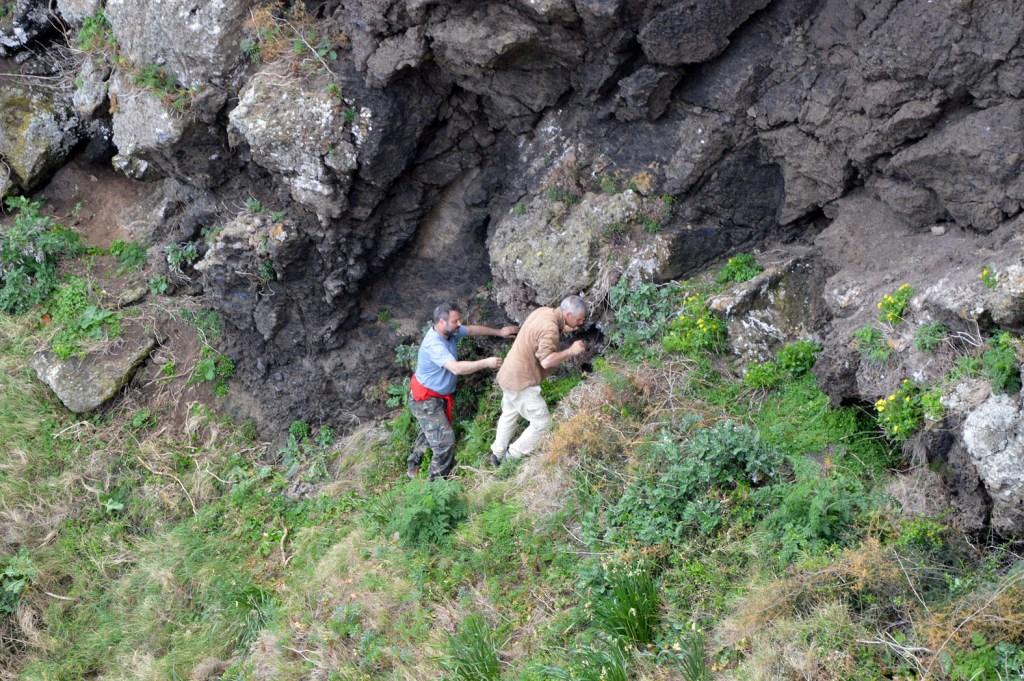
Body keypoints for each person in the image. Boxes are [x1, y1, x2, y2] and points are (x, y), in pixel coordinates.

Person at [408, 302, 518, 481]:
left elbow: (472, 330)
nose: (459, 324)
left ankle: (414, 463)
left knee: (432, 429)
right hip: (425, 399)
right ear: (441, 322)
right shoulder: (434, 344)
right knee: (444, 442)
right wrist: (486, 363)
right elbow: (456, 368)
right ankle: (436, 484)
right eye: (455, 321)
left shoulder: (450, 331)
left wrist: (499, 332)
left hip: (436, 395)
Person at [489, 295, 587, 466]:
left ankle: (497, 453)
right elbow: (547, 360)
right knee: (542, 423)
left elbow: (538, 334)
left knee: (510, 412)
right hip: (522, 382)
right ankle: (511, 457)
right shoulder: (550, 328)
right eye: (578, 320)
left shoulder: (544, 312)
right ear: (568, 315)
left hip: (508, 374)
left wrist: (562, 329)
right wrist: (571, 351)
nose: (580, 324)